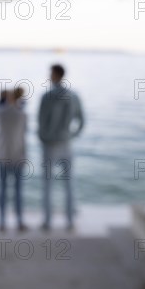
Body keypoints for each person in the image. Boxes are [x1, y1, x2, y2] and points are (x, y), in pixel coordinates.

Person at [38, 64, 84, 231]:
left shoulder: (47, 96)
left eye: (50, 73)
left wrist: (44, 138)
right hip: (67, 144)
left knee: (47, 185)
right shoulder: (74, 96)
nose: (49, 76)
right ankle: (70, 221)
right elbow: (82, 121)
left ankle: (48, 222)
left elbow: (41, 122)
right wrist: (72, 135)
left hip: (50, 146)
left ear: (56, 75)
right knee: (69, 184)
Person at [0, 89, 28, 232]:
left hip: (3, 156)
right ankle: (19, 221)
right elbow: (25, 132)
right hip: (18, 156)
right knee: (18, 191)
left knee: (2, 191)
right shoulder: (22, 114)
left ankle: (2, 222)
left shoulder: (0, 113)